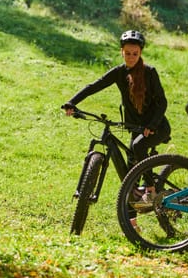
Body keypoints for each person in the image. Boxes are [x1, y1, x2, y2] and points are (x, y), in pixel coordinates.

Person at [62, 30, 171, 230]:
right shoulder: (119, 72)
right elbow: (94, 86)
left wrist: (152, 125)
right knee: (129, 174)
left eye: (135, 54)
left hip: (157, 127)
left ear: (140, 54)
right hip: (135, 128)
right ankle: (133, 223)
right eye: (127, 53)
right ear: (121, 52)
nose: (131, 57)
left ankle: (151, 190)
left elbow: (162, 102)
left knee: (138, 148)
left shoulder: (149, 72)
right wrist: (72, 102)